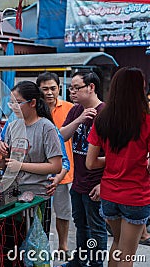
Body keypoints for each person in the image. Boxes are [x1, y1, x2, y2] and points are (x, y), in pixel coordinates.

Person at [86, 67, 150, 267]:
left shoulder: (102, 119)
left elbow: (91, 163)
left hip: (109, 194)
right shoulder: (146, 120)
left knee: (117, 243)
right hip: (135, 195)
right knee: (128, 254)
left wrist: (115, 160)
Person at [0, 81, 62, 234]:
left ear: (33, 103)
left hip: (37, 197)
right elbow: (5, 165)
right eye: (11, 103)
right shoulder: (12, 126)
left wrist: (21, 166)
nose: (14, 107)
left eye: (19, 103)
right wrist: (3, 156)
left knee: (34, 248)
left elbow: (56, 166)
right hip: (11, 196)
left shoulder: (46, 127)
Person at [60, 70, 107, 267]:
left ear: (91, 87)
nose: (72, 92)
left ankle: (95, 264)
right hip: (78, 180)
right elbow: (61, 136)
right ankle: (79, 261)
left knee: (96, 228)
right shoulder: (76, 110)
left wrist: (103, 183)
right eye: (70, 88)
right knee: (81, 224)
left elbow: (115, 155)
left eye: (77, 87)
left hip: (96, 182)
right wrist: (79, 119)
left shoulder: (106, 112)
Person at [37, 72, 74, 256]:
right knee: (40, 213)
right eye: (45, 89)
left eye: (53, 88)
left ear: (59, 88)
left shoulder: (70, 108)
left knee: (63, 212)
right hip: (37, 173)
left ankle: (63, 246)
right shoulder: (34, 109)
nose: (50, 92)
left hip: (63, 172)